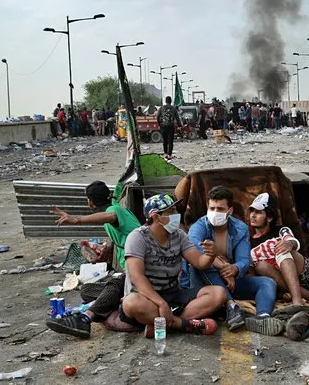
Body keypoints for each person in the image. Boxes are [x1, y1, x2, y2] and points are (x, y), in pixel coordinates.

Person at [120, 194, 226, 337]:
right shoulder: (137, 237)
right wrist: (161, 303)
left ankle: (161, 325)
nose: (177, 215)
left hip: (173, 294)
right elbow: (136, 277)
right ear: (156, 217)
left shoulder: (179, 235)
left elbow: (199, 263)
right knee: (131, 303)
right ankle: (182, 325)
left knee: (218, 293)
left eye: (176, 210)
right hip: (147, 297)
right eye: (171, 212)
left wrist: (211, 255)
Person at [45, 181, 142, 338]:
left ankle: (85, 319)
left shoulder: (114, 210)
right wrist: (107, 251)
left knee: (115, 285)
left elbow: (111, 217)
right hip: (129, 271)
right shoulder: (117, 210)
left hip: (138, 268)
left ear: (90, 201)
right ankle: (115, 301)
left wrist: (76, 220)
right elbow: (120, 232)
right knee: (86, 290)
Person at [187, 186, 282, 335]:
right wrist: (222, 266)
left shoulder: (240, 228)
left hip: (230, 282)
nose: (215, 212)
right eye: (212, 208)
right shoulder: (198, 227)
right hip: (203, 286)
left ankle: (263, 318)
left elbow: (244, 260)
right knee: (202, 265)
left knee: (267, 282)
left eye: (220, 209)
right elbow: (195, 252)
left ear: (229, 211)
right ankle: (231, 306)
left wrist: (234, 269)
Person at [248, 193, 309, 307]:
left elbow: (292, 241)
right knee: (261, 266)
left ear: (269, 217)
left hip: (304, 273)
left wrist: (289, 244)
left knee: (282, 249)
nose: (253, 215)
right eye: (252, 211)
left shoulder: (280, 230)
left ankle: (297, 300)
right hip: (279, 281)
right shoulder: (248, 242)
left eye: (258, 212)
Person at [157, 96, 181, 160]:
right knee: (170, 141)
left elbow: (158, 116)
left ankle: (165, 153)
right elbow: (177, 118)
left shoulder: (161, 108)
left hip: (163, 127)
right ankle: (169, 155)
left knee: (164, 141)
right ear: (171, 101)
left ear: (165, 101)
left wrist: (159, 125)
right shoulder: (173, 108)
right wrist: (179, 125)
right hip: (170, 127)